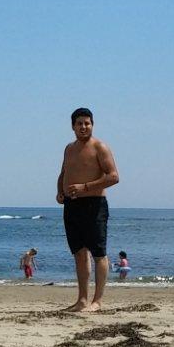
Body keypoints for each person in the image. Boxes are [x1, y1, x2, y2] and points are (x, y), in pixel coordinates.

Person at [56, 106, 120, 312]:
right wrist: (60, 192)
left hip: (94, 205)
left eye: (87, 123)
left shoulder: (100, 147)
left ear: (92, 124)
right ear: (72, 126)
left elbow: (113, 176)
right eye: (79, 123)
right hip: (72, 206)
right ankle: (82, 300)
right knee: (79, 253)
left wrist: (85, 187)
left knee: (98, 253)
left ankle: (97, 301)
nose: (83, 126)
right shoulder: (69, 148)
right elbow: (64, 172)